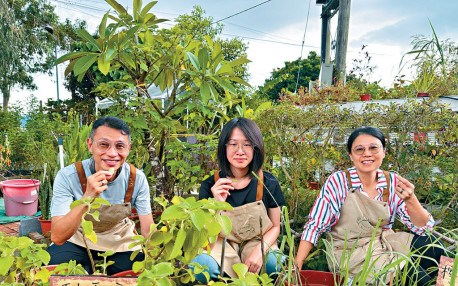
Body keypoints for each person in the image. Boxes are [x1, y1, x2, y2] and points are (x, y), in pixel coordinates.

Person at [295, 126, 444, 285]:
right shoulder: (338, 182)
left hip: (384, 242)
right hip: (351, 253)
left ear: (384, 152)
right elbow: (315, 225)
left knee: (435, 248)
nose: (367, 153)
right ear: (351, 156)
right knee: (416, 277)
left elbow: (424, 229)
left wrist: (411, 199)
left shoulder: (391, 181)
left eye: (373, 148)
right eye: (359, 149)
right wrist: (297, 266)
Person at [47, 116, 153, 275]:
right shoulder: (68, 176)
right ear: (90, 145)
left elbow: (147, 229)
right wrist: (88, 197)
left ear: (128, 149)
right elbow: (57, 236)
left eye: (120, 146)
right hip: (77, 238)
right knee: (56, 269)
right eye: (103, 145)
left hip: (119, 239)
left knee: (136, 273)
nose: (112, 154)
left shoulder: (136, 178)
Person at [192, 117, 286, 282]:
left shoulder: (268, 183)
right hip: (221, 245)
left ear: (256, 147)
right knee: (200, 265)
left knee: (274, 263)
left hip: (257, 243)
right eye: (233, 144)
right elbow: (204, 231)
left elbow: (275, 227)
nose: (240, 151)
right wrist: (216, 203)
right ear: (224, 147)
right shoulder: (210, 185)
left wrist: (259, 251)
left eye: (247, 144)